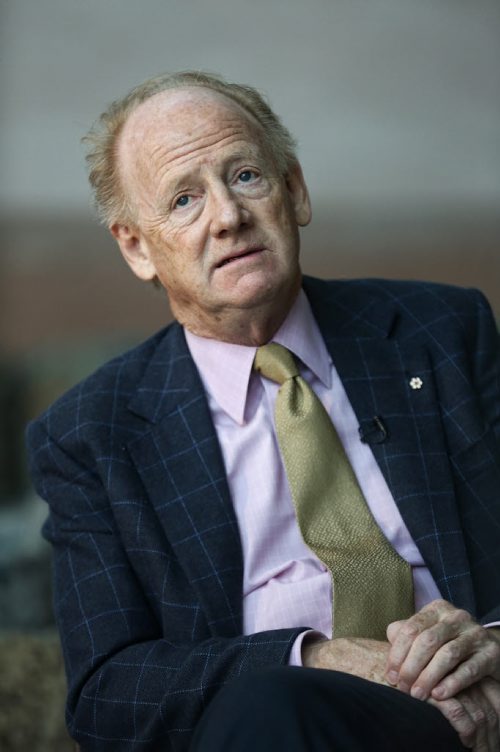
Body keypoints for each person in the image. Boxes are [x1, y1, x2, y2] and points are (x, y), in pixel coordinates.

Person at [27, 71, 500, 752]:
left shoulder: (444, 332)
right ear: (136, 246)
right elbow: (108, 692)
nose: (227, 216)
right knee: (271, 711)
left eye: (246, 176)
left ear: (295, 190)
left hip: (469, 713)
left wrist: (491, 647)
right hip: (276, 728)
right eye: (185, 199)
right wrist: (312, 658)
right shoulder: (89, 435)